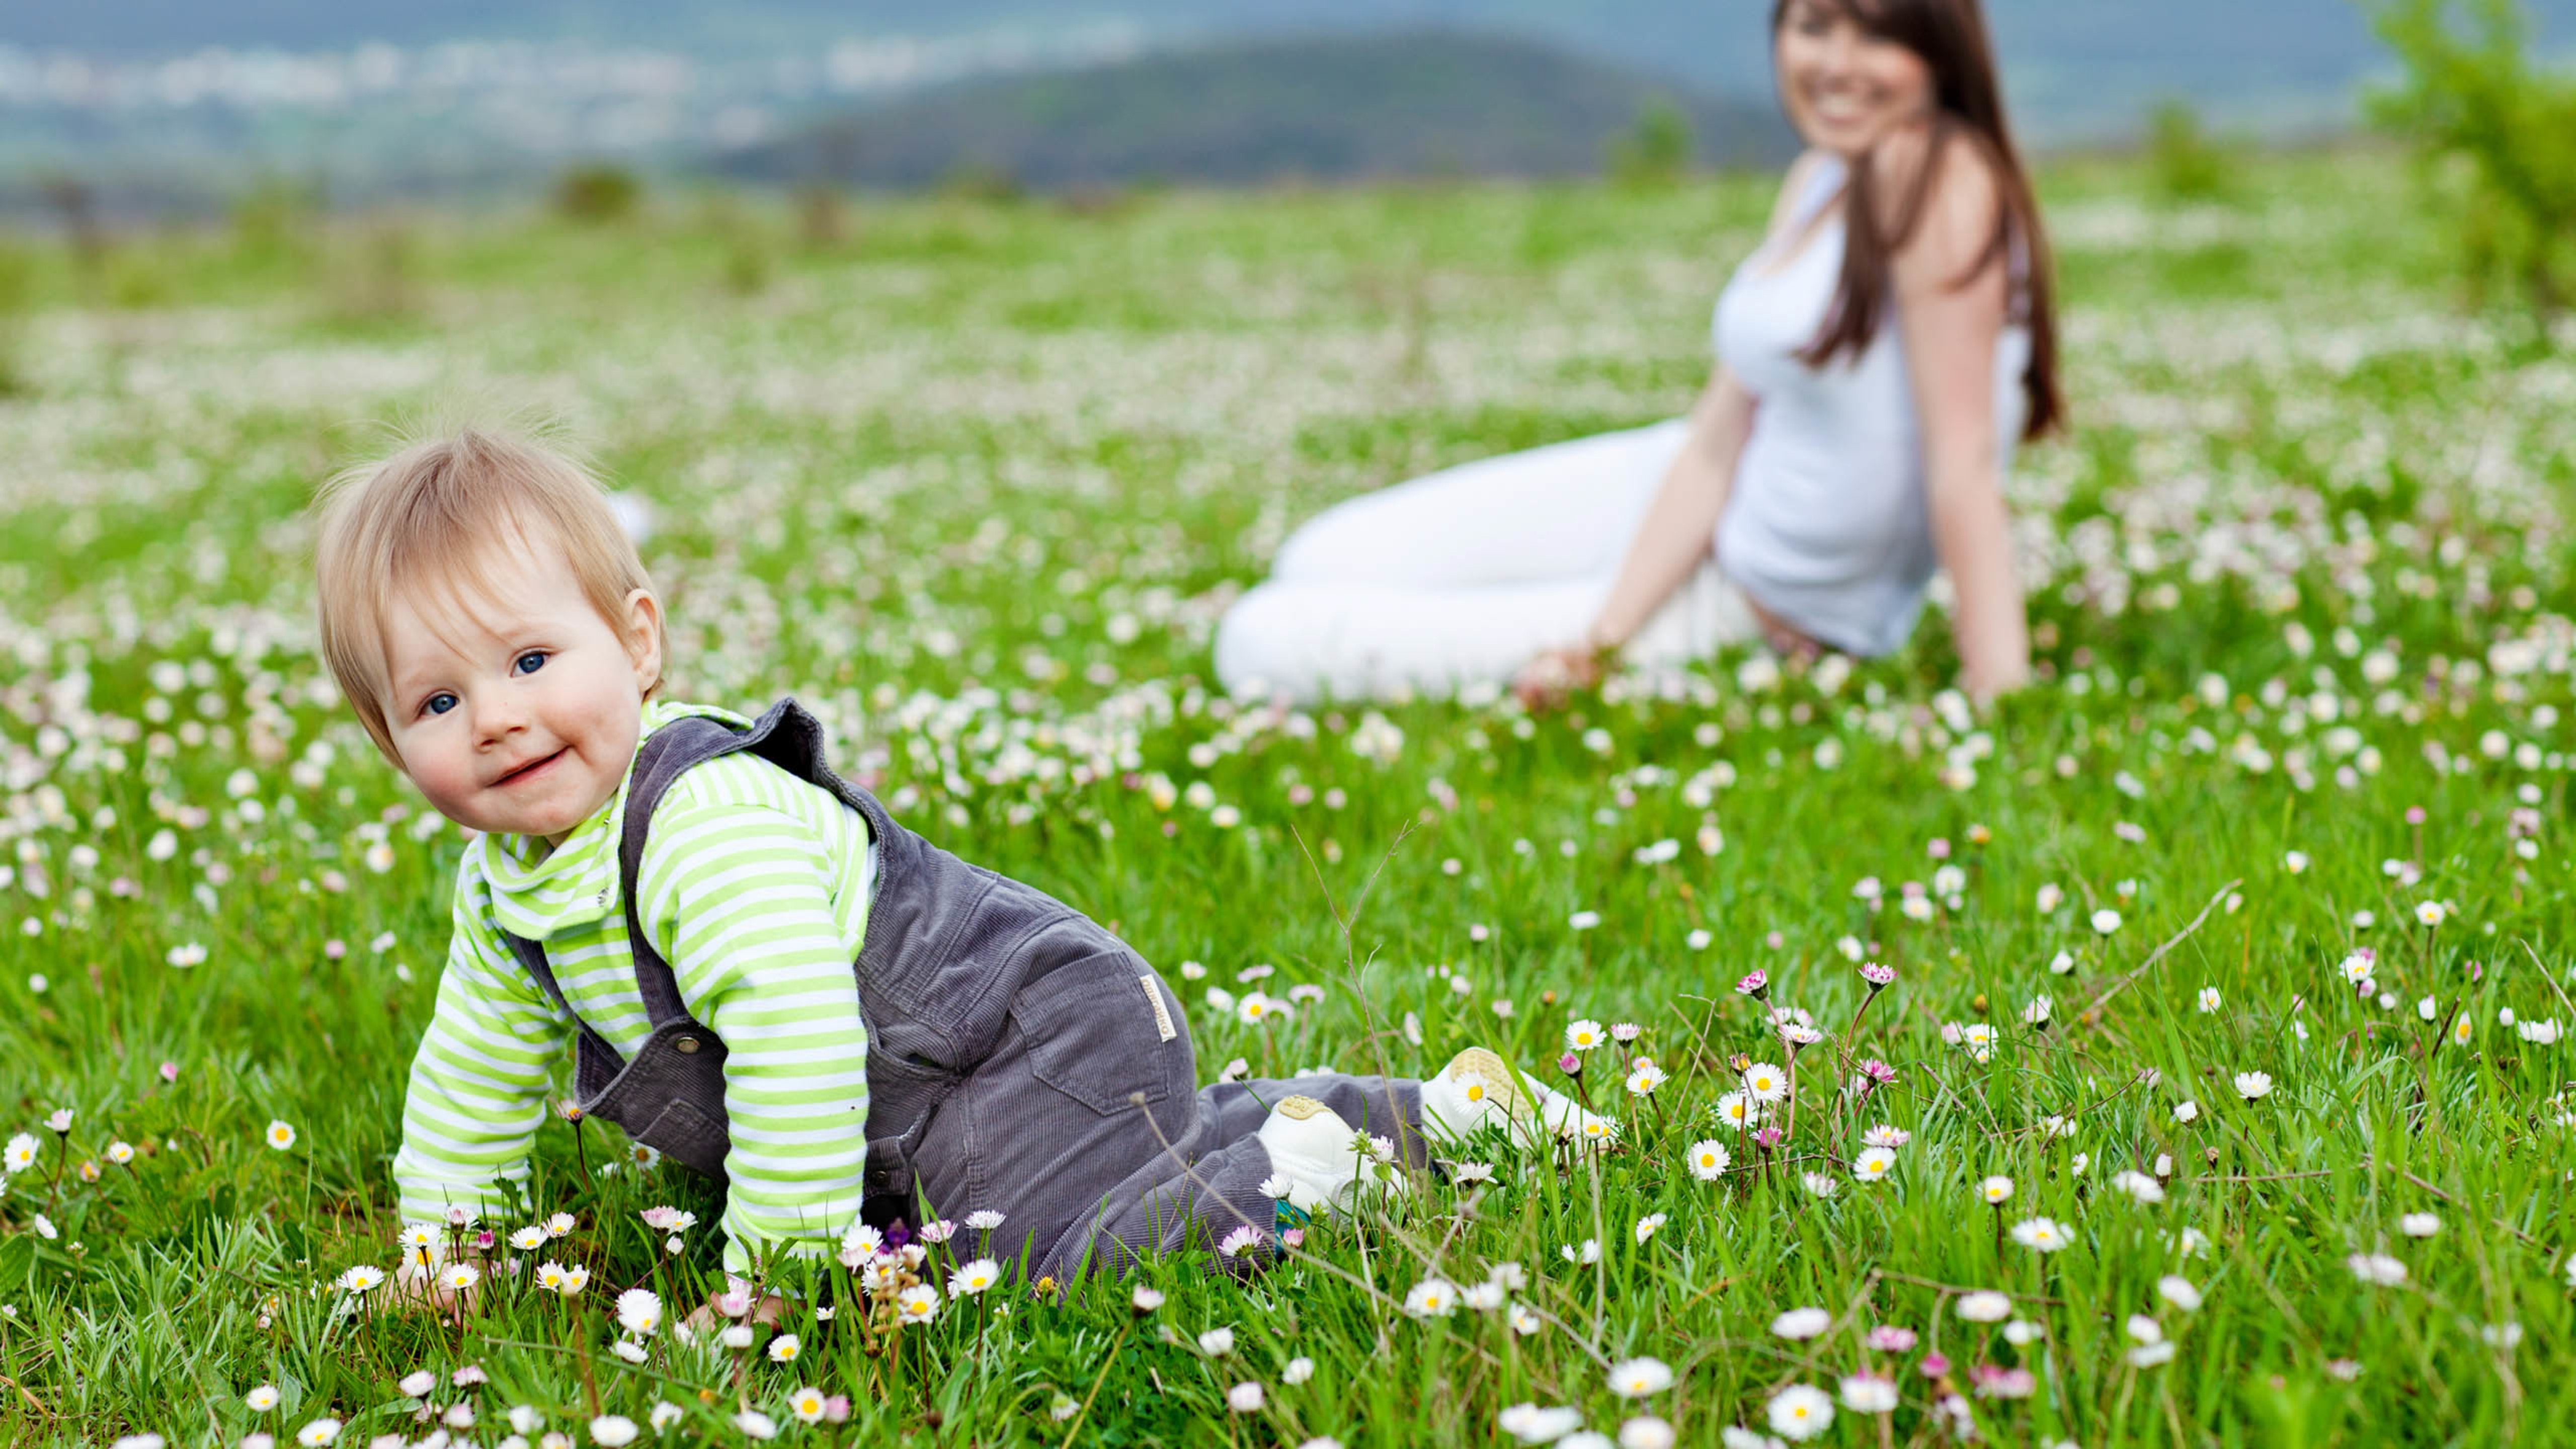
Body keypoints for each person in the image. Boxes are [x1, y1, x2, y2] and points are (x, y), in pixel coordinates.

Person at [311, 428, 1602, 1320]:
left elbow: (801, 1042)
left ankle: (1343, 1159)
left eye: (531, 662)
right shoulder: (507, 890)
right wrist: (446, 1256)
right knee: (994, 1224)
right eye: (438, 700)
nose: (497, 718)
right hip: (923, 1105)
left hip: (1023, 1036)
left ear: (636, 644)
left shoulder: (701, 825)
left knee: (1047, 1265)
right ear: (389, 741)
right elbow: (471, 1080)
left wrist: (776, 1277)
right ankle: (1366, 1116)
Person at [1216, 0, 2061, 708]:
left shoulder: (1940, 182)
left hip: (1754, 604)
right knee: (1320, 555)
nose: (1836, 64)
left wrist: (1999, 701)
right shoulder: (1821, 178)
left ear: (1940, 49)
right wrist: (1607, 633)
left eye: (1876, 33)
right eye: (1812, 26)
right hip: (1677, 497)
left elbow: (1964, 467)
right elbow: (1719, 438)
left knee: (1260, 641)